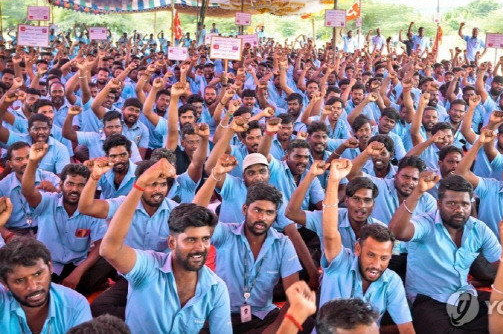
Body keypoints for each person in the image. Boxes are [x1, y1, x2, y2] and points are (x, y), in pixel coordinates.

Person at [99, 158, 231, 333]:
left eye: (205, 239)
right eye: (191, 240)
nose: (200, 247)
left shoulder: (216, 288)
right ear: (171, 242)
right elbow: (109, 250)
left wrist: (214, 176)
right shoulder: (148, 267)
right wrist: (139, 186)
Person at [389, 173, 501, 332]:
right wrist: (417, 193)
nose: (459, 210)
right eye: (452, 204)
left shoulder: (479, 229)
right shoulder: (425, 224)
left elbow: (502, 265)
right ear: (439, 204)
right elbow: (397, 232)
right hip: (428, 300)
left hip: (464, 295)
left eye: (465, 204)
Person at [319, 158, 414, 333]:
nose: (376, 265)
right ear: (357, 249)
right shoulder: (340, 264)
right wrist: (333, 181)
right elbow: (330, 233)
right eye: (371, 255)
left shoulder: (391, 281)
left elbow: (407, 329)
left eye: (384, 258)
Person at [207, 181, 302, 333]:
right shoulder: (226, 234)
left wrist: (275, 328)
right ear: (245, 209)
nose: (262, 217)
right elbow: (196, 215)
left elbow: (294, 295)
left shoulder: (283, 244)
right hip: (221, 313)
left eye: (269, 213)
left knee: (305, 326)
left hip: (261, 316)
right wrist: (213, 177)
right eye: (257, 210)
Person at [21, 143, 114, 295]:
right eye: (70, 183)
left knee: (110, 256)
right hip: (47, 264)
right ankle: (70, 289)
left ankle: (68, 288)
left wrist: (78, 272)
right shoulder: (48, 201)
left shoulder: (92, 210)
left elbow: (99, 245)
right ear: (61, 184)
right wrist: (32, 161)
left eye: (81, 185)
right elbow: (27, 191)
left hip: (78, 264)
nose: (75, 189)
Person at [0, 236, 92, 332]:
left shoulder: (75, 304)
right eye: (19, 280)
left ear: (50, 267)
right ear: (4, 283)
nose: (33, 287)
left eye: (37, 274)